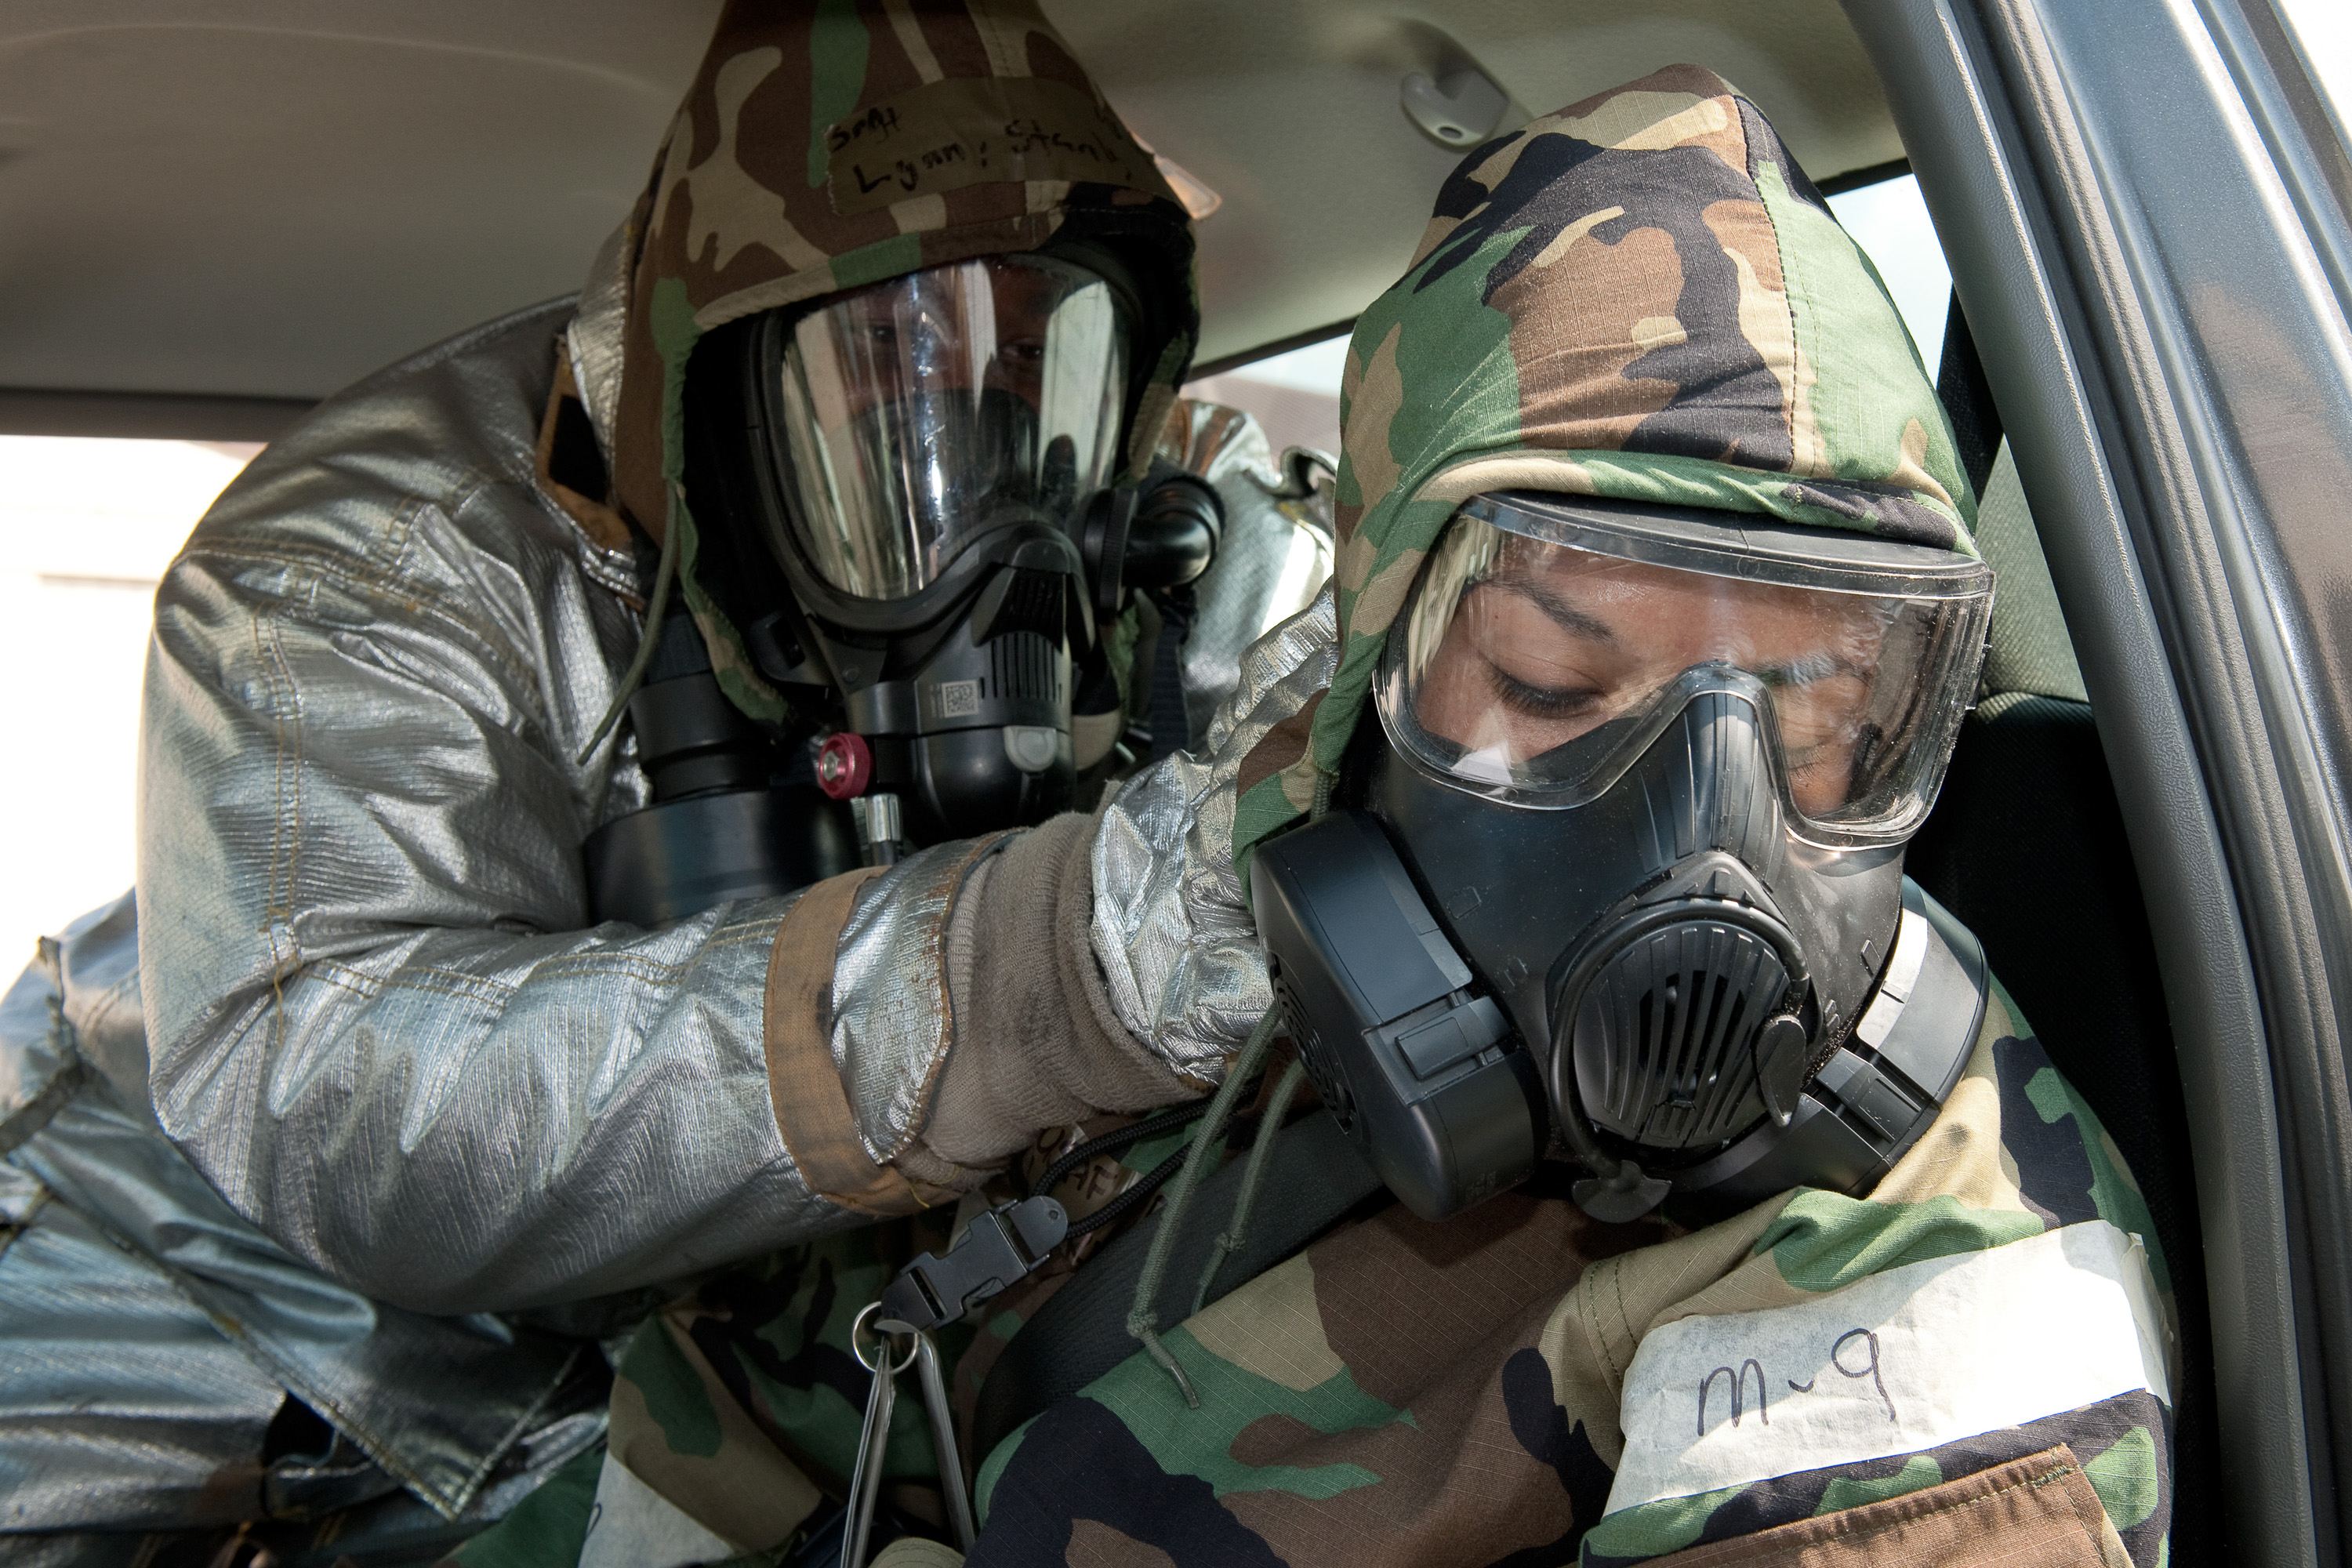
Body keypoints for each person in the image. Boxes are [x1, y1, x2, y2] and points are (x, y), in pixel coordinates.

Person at [470, 64, 2176, 1568]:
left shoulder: (1926, 1309)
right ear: (1370, 668)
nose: (1700, 842)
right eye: (1557, 679)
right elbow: (750, 1394)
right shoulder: (1232, 955)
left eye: (1812, 710)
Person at [0, 0, 1330, 1555]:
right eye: (889, 359)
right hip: (177, 1280)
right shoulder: (368, 569)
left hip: (675, 1338)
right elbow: (336, 1101)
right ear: (724, 383)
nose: (971, 421)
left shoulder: (1178, 528)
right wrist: (1027, 970)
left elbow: (1334, 752)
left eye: (1036, 355)